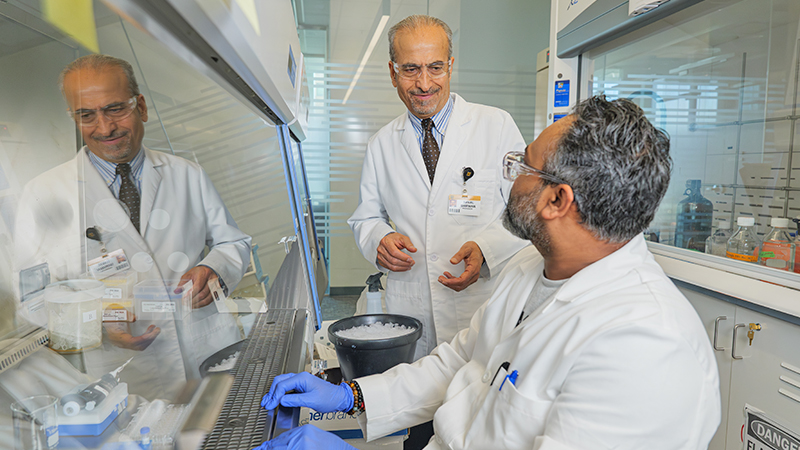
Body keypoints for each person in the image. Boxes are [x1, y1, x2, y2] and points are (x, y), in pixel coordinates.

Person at [252, 96, 721, 449]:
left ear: (557, 200)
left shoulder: (644, 345)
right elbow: (458, 363)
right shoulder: (529, 270)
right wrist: (350, 396)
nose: (511, 176)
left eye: (523, 166)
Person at [14, 54, 252, 400]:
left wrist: (213, 269)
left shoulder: (187, 174)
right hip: (120, 377)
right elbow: (31, 300)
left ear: (140, 106)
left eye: (115, 109)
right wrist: (95, 327)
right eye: (86, 115)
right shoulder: (42, 194)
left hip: (205, 353)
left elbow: (234, 243)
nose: (104, 128)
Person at [347, 15, 529, 360]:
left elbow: (526, 210)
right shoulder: (381, 144)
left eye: (435, 67)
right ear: (392, 72)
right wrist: (378, 240)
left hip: (482, 303)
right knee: (414, 400)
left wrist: (487, 249)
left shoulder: (496, 125)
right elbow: (366, 218)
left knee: (477, 400)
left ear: (450, 66)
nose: (424, 83)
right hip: (411, 307)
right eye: (411, 69)